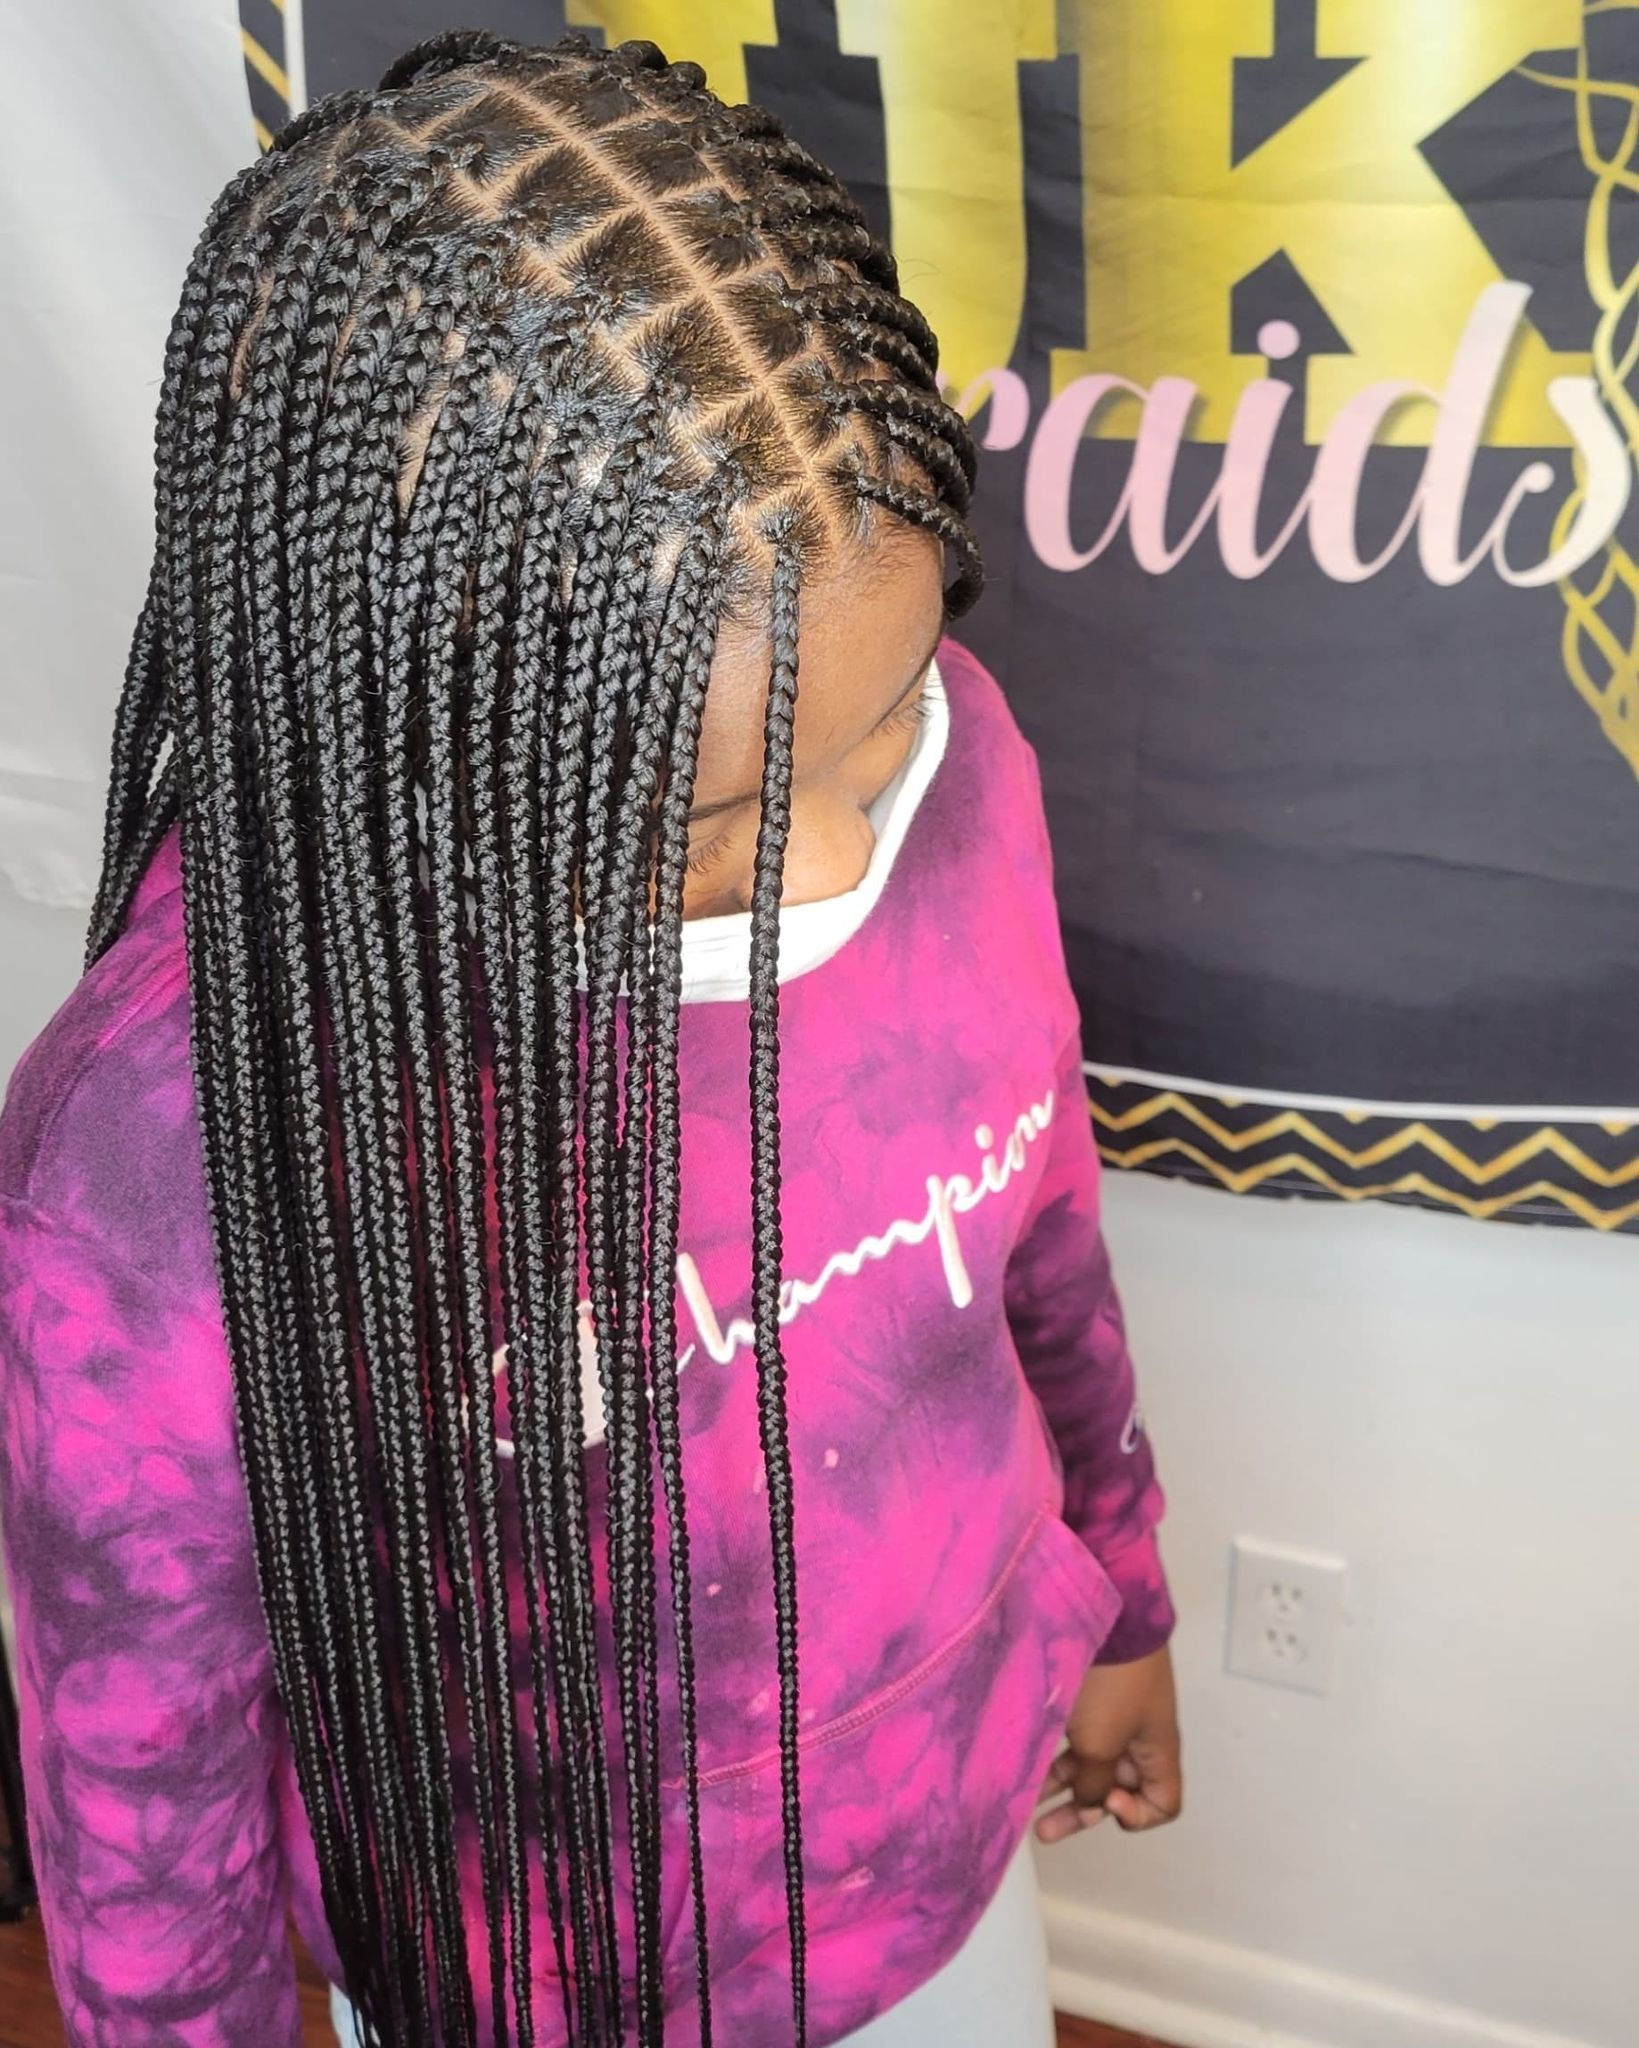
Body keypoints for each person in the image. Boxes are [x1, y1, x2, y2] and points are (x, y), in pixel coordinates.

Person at [0, 30, 1180, 2048]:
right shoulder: (162, 1162)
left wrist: (1120, 1588)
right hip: (537, 1983)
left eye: (886, 716)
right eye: (712, 819)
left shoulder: (955, 770)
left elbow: (1042, 1228)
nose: (846, 855)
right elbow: (143, 1803)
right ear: (414, 719)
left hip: (952, 1844)